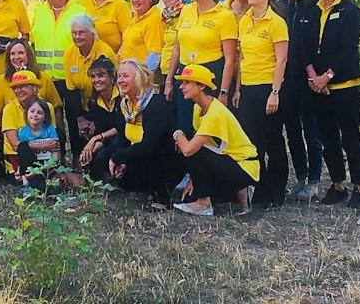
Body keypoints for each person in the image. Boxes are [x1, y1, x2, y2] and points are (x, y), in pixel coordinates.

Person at [304, 0, 360, 209]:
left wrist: (327, 76)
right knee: (328, 138)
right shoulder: (312, 10)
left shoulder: (352, 11)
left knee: (350, 137)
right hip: (318, 86)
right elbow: (305, 47)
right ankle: (338, 184)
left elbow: (347, 50)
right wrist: (313, 76)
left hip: (345, 85)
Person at [171, 65, 258, 216]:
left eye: (187, 82)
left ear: (201, 86)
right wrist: (195, 180)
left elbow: (189, 150)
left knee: (191, 148)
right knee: (197, 149)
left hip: (245, 166)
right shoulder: (199, 108)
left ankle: (204, 202)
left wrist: (177, 134)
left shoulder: (214, 113)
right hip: (233, 161)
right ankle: (239, 195)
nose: (181, 87)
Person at [235, 0, 289, 208]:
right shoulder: (244, 20)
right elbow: (241, 58)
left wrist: (275, 92)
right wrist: (237, 89)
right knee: (252, 141)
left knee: (273, 141)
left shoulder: (276, 22)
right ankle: (261, 186)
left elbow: (282, 60)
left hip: (269, 87)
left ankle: (277, 190)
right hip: (247, 87)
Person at [166, 0, 238, 132]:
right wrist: (170, 80)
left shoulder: (224, 16)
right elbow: (177, 48)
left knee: (209, 129)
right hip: (185, 74)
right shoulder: (186, 10)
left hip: (210, 75)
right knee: (185, 126)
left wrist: (224, 92)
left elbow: (230, 59)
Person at [108, 59, 183, 208]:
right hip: (140, 151)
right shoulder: (124, 104)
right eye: (119, 77)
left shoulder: (155, 103)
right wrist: (121, 161)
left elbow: (150, 145)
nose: (120, 81)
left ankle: (162, 196)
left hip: (166, 159)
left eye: (125, 76)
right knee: (111, 158)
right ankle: (141, 188)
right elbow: (123, 138)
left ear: (139, 78)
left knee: (148, 155)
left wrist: (117, 158)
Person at [280, 0, 322, 200]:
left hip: (307, 77)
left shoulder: (315, 7)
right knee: (292, 131)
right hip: (288, 78)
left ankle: (315, 180)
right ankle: (300, 177)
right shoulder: (286, 7)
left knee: (311, 130)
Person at [30, 0, 86, 153]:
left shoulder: (79, 12)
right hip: (45, 78)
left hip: (71, 78)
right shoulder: (40, 11)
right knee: (47, 120)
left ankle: (78, 158)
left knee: (75, 120)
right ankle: (54, 158)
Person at [0, 39, 61, 151]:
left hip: (43, 134)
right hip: (13, 133)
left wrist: (58, 134)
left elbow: (56, 107)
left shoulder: (43, 77)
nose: (16, 57)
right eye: (12, 54)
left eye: (21, 53)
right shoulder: (1, 80)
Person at [62, 14, 118, 162]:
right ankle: (76, 159)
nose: (77, 36)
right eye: (74, 33)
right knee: (70, 110)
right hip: (81, 101)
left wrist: (95, 120)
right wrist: (80, 119)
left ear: (92, 33)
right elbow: (71, 89)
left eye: (81, 33)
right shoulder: (69, 54)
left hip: (103, 103)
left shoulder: (104, 53)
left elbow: (109, 86)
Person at [1, 70, 60, 175]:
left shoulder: (48, 106)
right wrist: (41, 146)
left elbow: (53, 140)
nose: (18, 90)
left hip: (46, 155)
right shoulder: (9, 109)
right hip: (19, 156)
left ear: (34, 89)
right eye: (15, 88)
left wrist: (47, 148)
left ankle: (57, 169)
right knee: (24, 148)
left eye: (23, 86)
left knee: (61, 134)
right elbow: (16, 145)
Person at [78, 56, 122, 179]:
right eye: (93, 76)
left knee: (104, 154)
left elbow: (121, 127)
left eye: (101, 75)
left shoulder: (122, 97)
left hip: (125, 139)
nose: (96, 80)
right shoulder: (93, 102)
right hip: (108, 138)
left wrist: (95, 139)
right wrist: (91, 148)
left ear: (112, 78)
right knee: (91, 156)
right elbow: (101, 129)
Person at [16, 99, 61, 195]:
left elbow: (56, 157)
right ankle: (25, 183)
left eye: (39, 112)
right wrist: (19, 170)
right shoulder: (23, 132)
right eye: (32, 111)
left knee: (50, 189)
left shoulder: (51, 130)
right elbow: (23, 155)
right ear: (26, 113)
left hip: (47, 167)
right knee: (22, 146)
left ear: (45, 117)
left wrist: (39, 170)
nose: (35, 115)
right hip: (32, 166)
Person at [119, 0, 163, 71]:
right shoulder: (136, 16)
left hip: (140, 77)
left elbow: (155, 54)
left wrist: (143, 78)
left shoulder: (154, 18)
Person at [158, 0, 188, 87]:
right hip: (165, 71)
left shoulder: (186, 13)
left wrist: (169, 80)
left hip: (178, 74)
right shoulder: (167, 15)